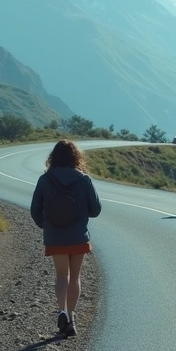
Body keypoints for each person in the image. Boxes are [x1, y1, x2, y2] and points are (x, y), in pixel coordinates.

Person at [31, 140, 102, 338]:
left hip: (55, 237)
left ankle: (61, 310)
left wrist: (47, 227)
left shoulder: (45, 180)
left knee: (61, 276)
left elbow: (35, 209)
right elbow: (96, 209)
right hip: (79, 236)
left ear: (53, 157)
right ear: (75, 157)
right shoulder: (84, 179)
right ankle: (71, 318)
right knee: (75, 277)